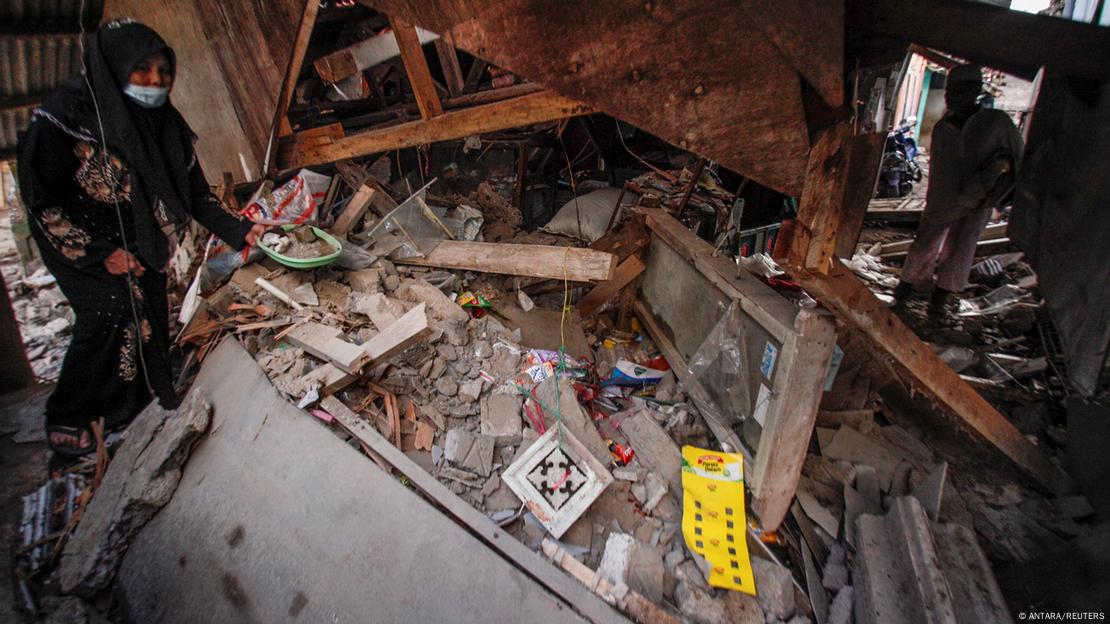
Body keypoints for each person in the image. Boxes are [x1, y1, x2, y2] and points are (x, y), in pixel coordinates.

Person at [16, 21, 265, 460]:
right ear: (114, 67)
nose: (156, 81)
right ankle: (69, 417)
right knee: (109, 314)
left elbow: (193, 194)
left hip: (139, 237)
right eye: (143, 70)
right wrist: (100, 253)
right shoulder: (63, 119)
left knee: (149, 315)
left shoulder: (163, 122)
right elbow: (41, 200)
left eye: (164, 70)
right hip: (77, 239)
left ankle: (142, 402)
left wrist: (242, 229)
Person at [892, 64, 1023, 321]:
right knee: (924, 245)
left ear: (974, 91)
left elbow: (1017, 158)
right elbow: (940, 170)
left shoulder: (995, 123)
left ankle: (939, 302)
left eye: (957, 91)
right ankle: (906, 291)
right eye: (950, 91)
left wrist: (997, 188)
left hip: (979, 199)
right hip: (944, 198)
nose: (950, 96)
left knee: (961, 249)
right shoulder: (944, 127)